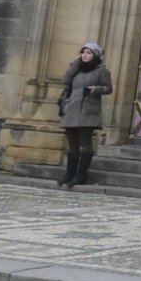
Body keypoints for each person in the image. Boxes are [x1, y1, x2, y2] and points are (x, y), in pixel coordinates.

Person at [56, 42, 113, 189]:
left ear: (95, 55)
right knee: (72, 143)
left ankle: (81, 175)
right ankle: (69, 173)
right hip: (72, 109)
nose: (85, 55)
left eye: (88, 53)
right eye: (83, 52)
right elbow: (65, 80)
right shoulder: (77, 69)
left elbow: (108, 88)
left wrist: (95, 89)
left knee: (85, 143)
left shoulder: (102, 70)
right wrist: (75, 63)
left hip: (88, 111)